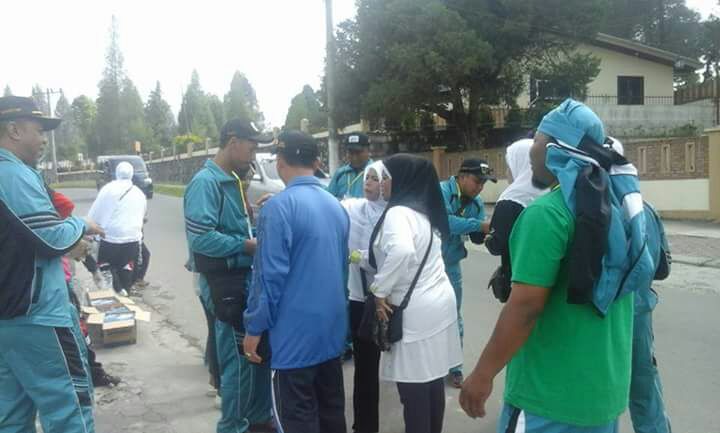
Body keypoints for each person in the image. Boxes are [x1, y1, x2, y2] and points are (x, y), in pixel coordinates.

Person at [460, 99, 654, 432]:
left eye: (536, 140)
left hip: (547, 399)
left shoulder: (547, 214)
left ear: (554, 148)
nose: (531, 150)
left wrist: (482, 374)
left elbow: (525, 308)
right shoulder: (626, 210)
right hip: (602, 398)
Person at [0, 95, 104, 433]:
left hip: (8, 319)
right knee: (69, 408)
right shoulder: (12, 173)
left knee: (12, 415)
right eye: (39, 130)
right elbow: (50, 239)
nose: (44, 139)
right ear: (14, 129)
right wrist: (82, 225)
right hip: (38, 316)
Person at [244, 130, 349, 433]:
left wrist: (254, 328)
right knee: (331, 415)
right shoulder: (335, 207)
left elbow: (269, 278)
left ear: (279, 162)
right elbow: (340, 270)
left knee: (296, 419)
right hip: (330, 333)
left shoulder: (278, 208)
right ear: (317, 163)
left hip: (293, 341)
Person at [184, 118, 274, 433]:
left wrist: (250, 214)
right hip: (225, 283)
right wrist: (246, 245)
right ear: (233, 141)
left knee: (259, 355)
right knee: (238, 364)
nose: (254, 153)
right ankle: (233, 426)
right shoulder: (205, 183)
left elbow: (226, 223)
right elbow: (202, 239)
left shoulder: (231, 179)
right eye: (251, 146)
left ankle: (261, 420)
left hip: (244, 280)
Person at [368, 153, 462, 433]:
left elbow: (402, 250)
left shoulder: (399, 213)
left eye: (386, 178)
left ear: (402, 180)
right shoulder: (423, 212)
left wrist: (378, 290)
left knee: (413, 388)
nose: (382, 184)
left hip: (417, 312)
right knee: (432, 380)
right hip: (438, 303)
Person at [608, 139, 673, 433]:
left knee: (600, 391)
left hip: (604, 318)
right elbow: (662, 268)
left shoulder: (589, 210)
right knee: (645, 388)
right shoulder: (645, 209)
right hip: (639, 315)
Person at [439, 158, 496, 387]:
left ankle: (455, 368)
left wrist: (490, 233)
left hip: (452, 265)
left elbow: (477, 235)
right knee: (423, 317)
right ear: (461, 176)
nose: (480, 187)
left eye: (483, 183)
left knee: (453, 316)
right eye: (477, 181)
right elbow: (445, 223)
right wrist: (479, 225)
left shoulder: (477, 202)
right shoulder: (440, 191)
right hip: (425, 267)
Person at [343, 160, 387, 433]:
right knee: (365, 369)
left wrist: (360, 258)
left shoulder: (397, 215)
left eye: (375, 178)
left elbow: (395, 259)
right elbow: (326, 205)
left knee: (400, 368)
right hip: (360, 300)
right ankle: (365, 426)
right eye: (366, 177)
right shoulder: (354, 209)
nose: (368, 182)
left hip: (388, 301)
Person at [484, 139, 546, 302]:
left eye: (509, 165)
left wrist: (488, 238)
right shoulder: (552, 192)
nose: (506, 172)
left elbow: (497, 245)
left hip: (521, 279)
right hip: (549, 275)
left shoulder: (511, 199)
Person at [88, 161, 147, 297]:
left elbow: (93, 214)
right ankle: (126, 299)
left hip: (109, 239)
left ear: (116, 173)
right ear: (132, 174)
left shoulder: (108, 189)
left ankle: (114, 299)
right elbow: (142, 216)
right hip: (132, 240)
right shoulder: (139, 193)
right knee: (126, 271)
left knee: (107, 274)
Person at [327, 132, 373, 200]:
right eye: (350, 152)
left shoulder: (377, 172)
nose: (354, 157)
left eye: (358, 152)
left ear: (369, 150)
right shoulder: (340, 173)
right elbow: (329, 199)